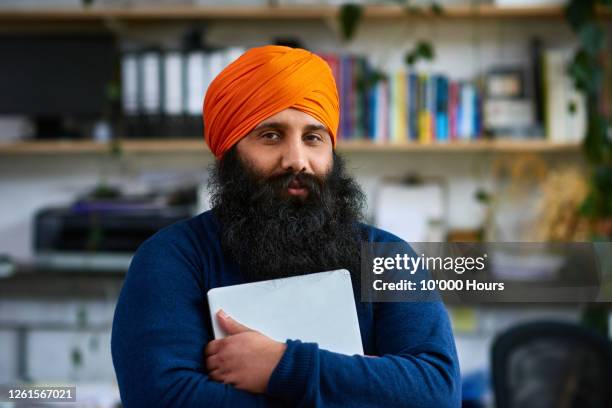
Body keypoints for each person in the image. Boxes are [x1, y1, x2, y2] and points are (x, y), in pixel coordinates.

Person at [111, 45, 461, 407]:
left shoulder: (386, 255)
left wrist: (282, 367)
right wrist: (362, 388)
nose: (297, 160)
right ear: (230, 152)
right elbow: (166, 398)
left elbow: (437, 393)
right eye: (271, 136)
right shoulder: (172, 259)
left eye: (313, 138)